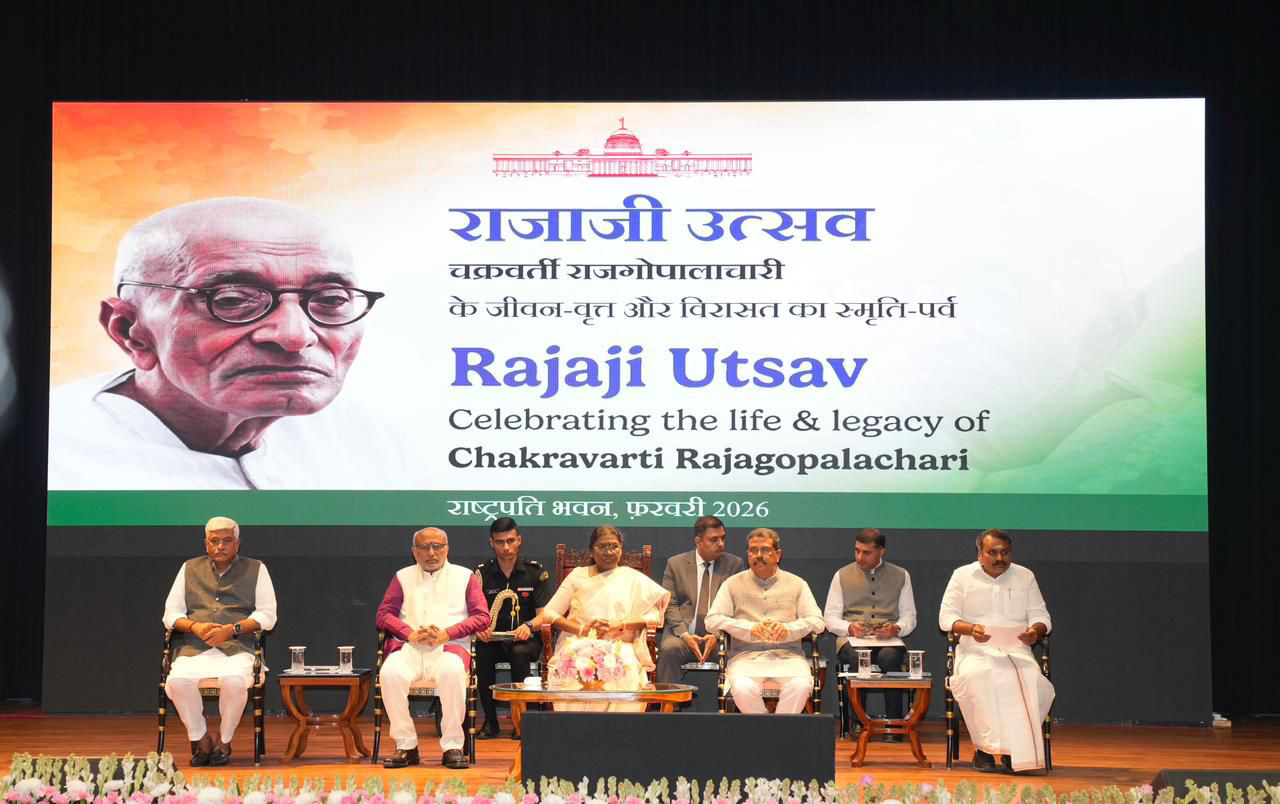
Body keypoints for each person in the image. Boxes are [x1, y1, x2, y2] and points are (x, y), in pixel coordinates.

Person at [47, 197, 413, 490]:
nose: (294, 335)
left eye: (331, 300)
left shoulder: (369, 442)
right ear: (130, 331)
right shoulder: (50, 459)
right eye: (232, 300)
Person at [162, 516, 277, 767]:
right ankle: (200, 738)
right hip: (195, 650)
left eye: (227, 541)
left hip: (238, 650)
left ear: (238, 543)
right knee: (177, 682)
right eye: (214, 541)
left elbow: (268, 616)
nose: (220, 546)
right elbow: (170, 614)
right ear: (206, 544)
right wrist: (195, 626)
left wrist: (231, 630)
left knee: (234, 682)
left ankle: (224, 740)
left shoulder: (256, 569)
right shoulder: (189, 568)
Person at [938, 528, 1054, 773]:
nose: (1000, 558)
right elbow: (946, 618)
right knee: (979, 677)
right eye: (993, 553)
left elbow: (1042, 616)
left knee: (1032, 681)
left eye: (1005, 553)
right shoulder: (962, 576)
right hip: (975, 649)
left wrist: (1035, 631)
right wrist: (971, 629)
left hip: (1016, 649)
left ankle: (1016, 752)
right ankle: (984, 751)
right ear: (980, 554)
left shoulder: (1025, 576)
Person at [376, 527, 490, 769]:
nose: (431, 552)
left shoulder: (464, 576)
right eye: (424, 547)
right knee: (389, 673)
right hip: (409, 648)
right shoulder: (403, 577)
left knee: (452, 672)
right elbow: (383, 615)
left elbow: (482, 617)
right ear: (414, 551)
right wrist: (409, 632)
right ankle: (406, 745)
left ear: (447, 549)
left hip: (449, 648)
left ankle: (452, 746)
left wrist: (448, 633)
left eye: (437, 546)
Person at [543, 525, 670, 711]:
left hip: (619, 644)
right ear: (591, 551)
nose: (609, 552)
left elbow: (654, 616)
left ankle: (618, 726)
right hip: (579, 642)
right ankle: (573, 724)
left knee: (625, 665)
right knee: (574, 665)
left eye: (614, 546)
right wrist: (581, 629)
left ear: (621, 549)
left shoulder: (632, 577)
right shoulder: (577, 575)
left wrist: (621, 625)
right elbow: (549, 613)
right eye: (602, 546)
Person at [705, 528, 825, 714]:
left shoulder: (797, 584)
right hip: (746, 658)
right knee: (742, 688)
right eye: (753, 550)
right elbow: (712, 620)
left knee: (801, 685)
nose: (759, 555)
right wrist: (749, 629)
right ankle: (767, 729)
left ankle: (775, 729)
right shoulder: (732, 584)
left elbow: (817, 622)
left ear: (778, 555)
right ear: (747, 554)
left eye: (765, 550)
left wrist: (788, 630)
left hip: (788, 658)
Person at [823, 527, 917, 733]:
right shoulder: (842, 575)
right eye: (857, 551)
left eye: (866, 552)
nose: (859, 557)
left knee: (890, 658)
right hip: (852, 640)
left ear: (881, 552)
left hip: (888, 640)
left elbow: (909, 616)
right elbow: (829, 617)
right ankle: (859, 722)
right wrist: (849, 627)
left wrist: (896, 629)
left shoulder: (901, 575)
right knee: (859, 658)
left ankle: (894, 724)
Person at [473, 517, 553, 738]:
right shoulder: (481, 573)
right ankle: (490, 722)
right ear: (492, 543)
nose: (506, 547)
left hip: (525, 638)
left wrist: (529, 625)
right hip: (493, 639)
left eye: (510, 541)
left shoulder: (535, 572)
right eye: (500, 542)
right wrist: (480, 628)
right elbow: (473, 612)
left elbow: (544, 614)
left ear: (519, 540)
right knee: (482, 653)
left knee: (519, 653)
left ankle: (523, 721)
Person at [656, 515, 744, 683]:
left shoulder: (734, 565)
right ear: (699, 541)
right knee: (669, 649)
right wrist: (685, 635)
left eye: (723, 538)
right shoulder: (676, 564)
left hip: (720, 638)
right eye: (714, 540)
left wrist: (717, 635)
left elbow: (737, 606)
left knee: (737, 654)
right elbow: (670, 604)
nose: (721, 544)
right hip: (683, 636)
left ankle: (734, 699)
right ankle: (668, 700)